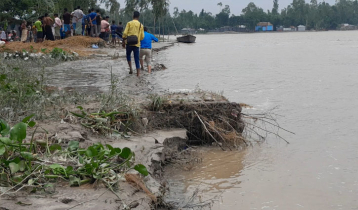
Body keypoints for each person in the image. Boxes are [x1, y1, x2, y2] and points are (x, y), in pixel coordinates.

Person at [122, 11, 144, 76]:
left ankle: (131, 69)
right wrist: (138, 39)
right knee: (136, 59)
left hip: (128, 43)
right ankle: (138, 74)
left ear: (133, 16)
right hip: (136, 44)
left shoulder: (129, 23)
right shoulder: (141, 25)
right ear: (138, 17)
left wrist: (124, 39)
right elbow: (142, 36)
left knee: (128, 55)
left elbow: (125, 33)